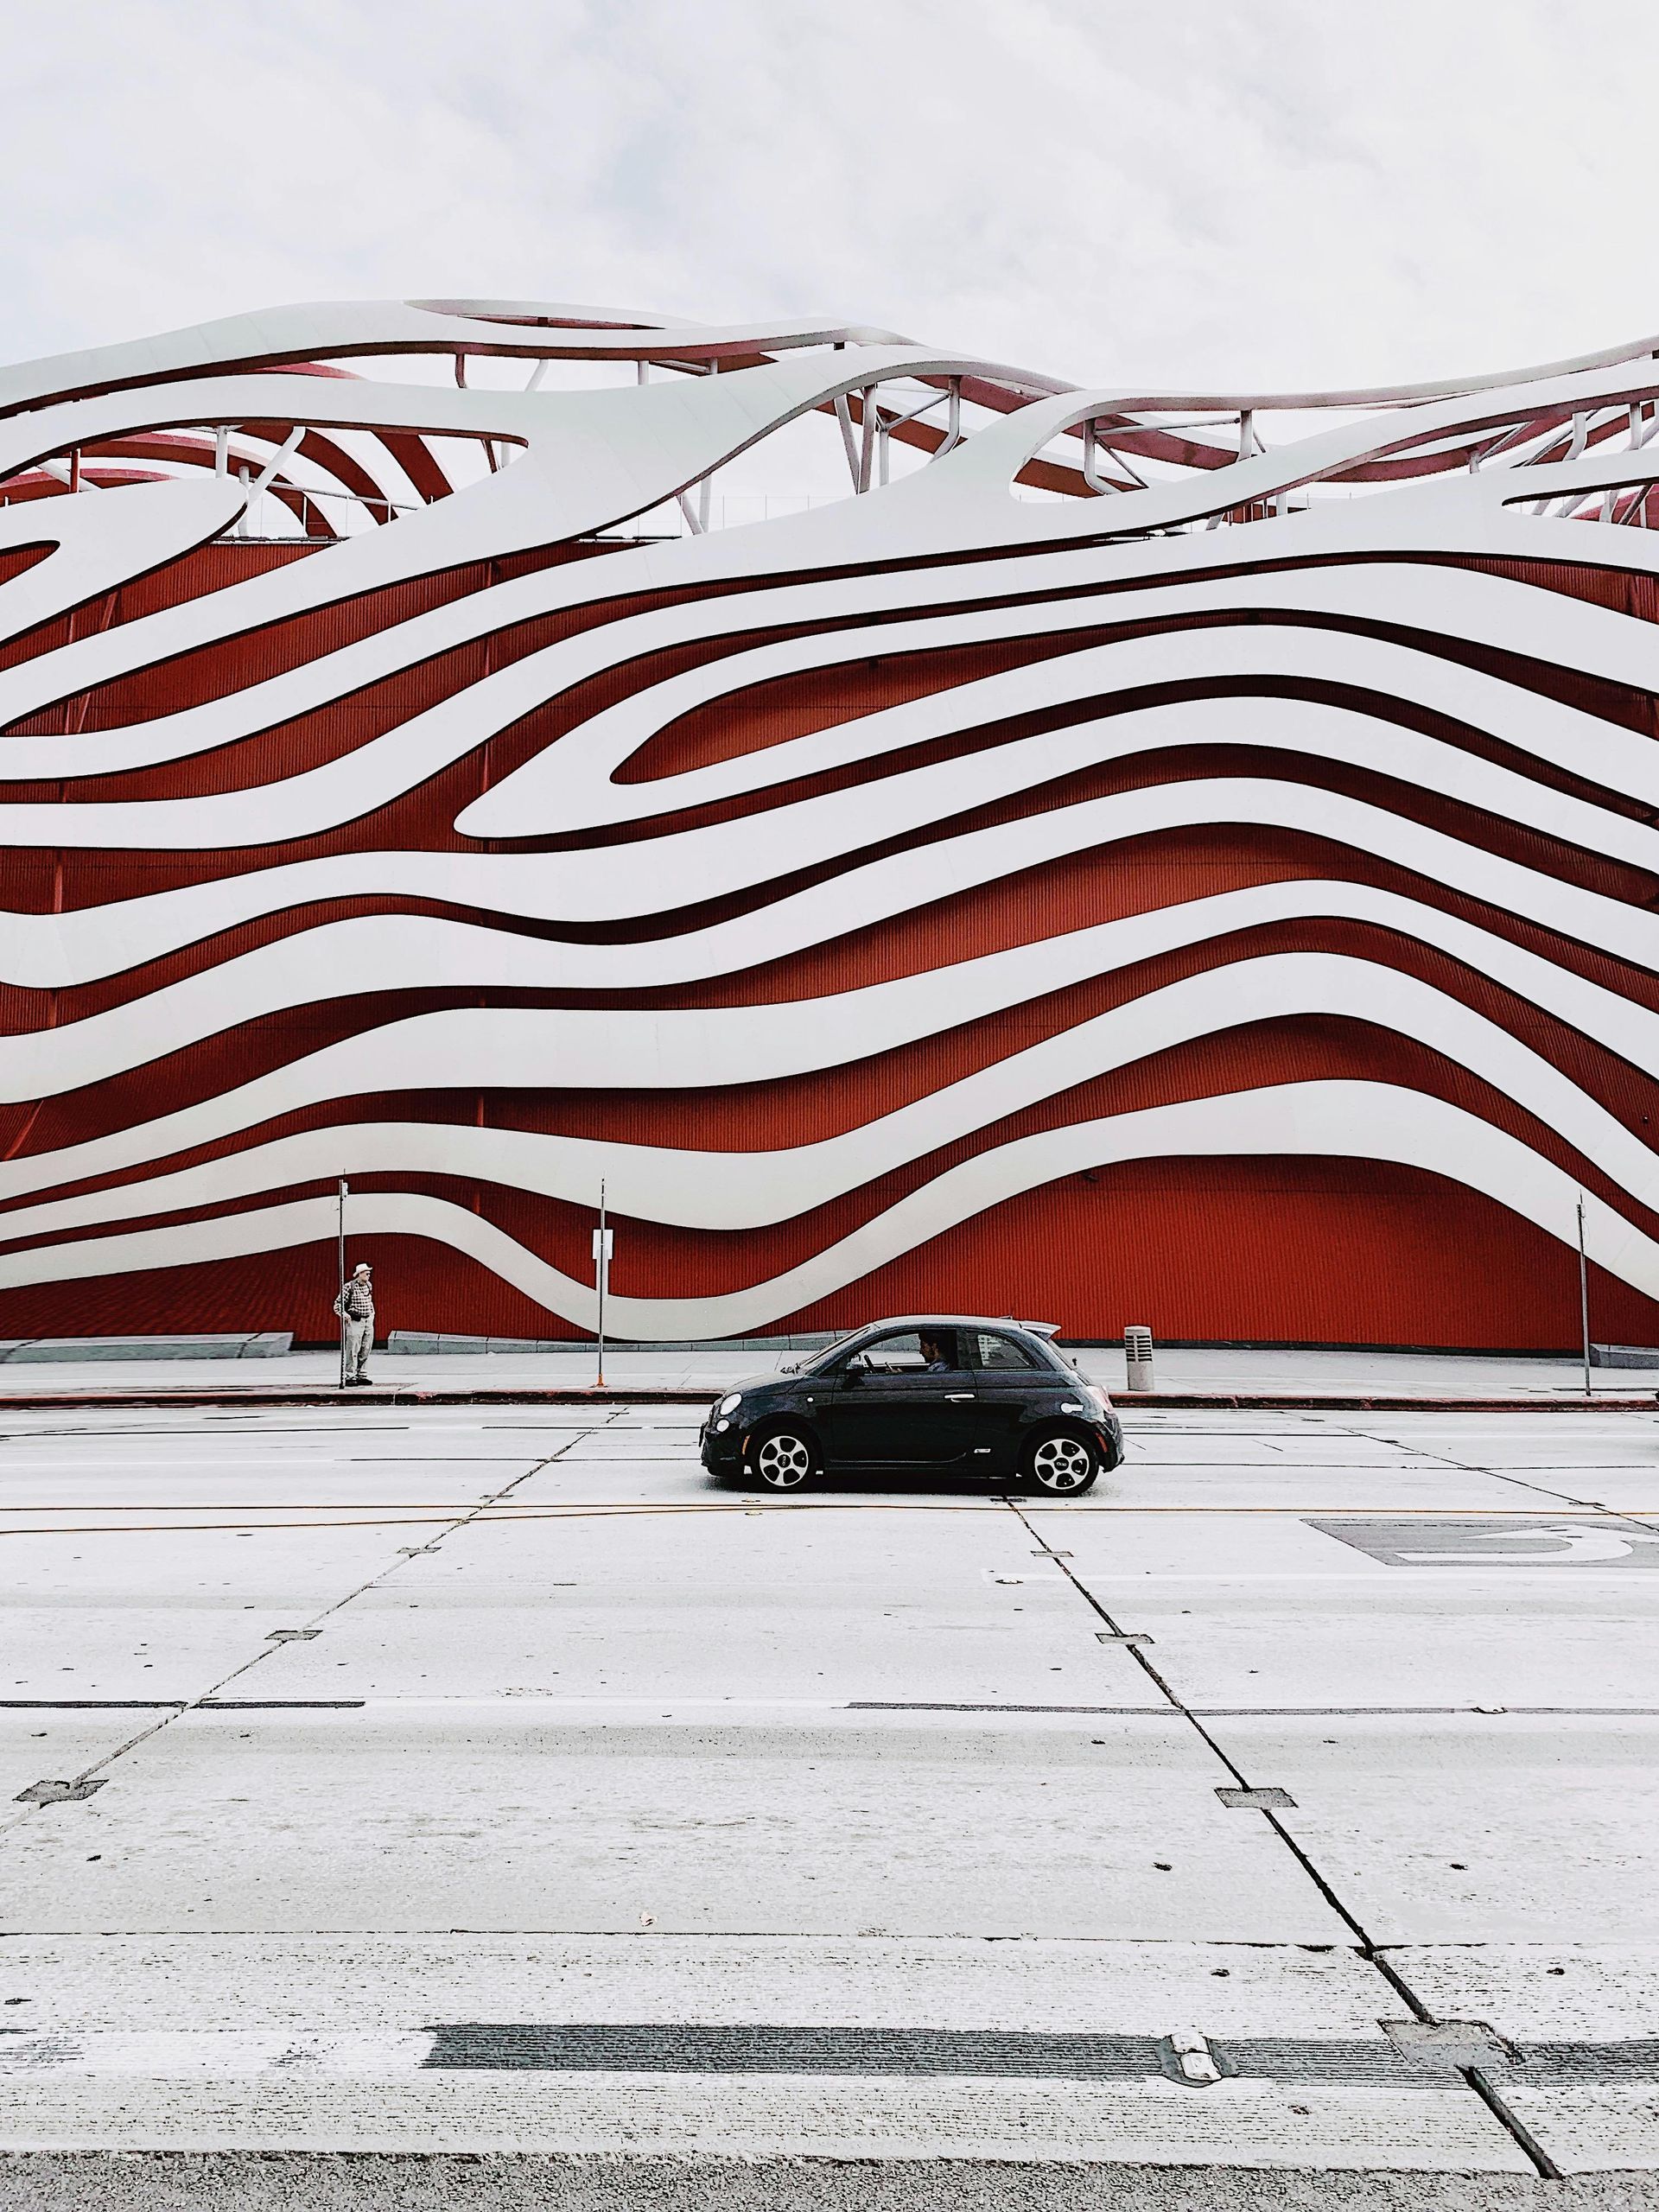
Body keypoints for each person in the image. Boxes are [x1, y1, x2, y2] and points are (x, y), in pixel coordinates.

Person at [334, 1261, 376, 1386]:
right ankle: (350, 1375)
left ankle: (361, 1374)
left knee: (366, 1347)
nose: (368, 1275)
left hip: (367, 1319)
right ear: (359, 1274)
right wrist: (344, 1314)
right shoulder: (349, 1286)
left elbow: (370, 1301)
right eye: (366, 1273)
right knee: (353, 1348)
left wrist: (372, 1314)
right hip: (355, 1320)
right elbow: (338, 1304)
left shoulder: (369, 1285)